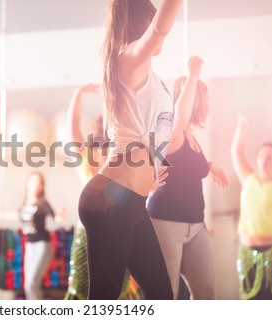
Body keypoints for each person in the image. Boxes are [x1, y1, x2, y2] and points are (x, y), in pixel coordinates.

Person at [79, 0, 183, 300]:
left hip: (131, 203)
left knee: (162, 297)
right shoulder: (127, 59)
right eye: (150, 21)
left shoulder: (149, 77)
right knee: (103, 299)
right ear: (142, 23)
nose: (159, 32)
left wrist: (153, 166)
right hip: (111, 200)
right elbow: (161, 29)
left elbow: (165, 135)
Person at [147, 57, 228, 299]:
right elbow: (179, 118)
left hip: (195, 226)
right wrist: (193, 76)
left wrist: (209, 166)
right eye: (205, 98)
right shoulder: (171, 131)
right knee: (166, 296)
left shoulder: (190, 136)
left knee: (206, 294)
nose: (209, 104)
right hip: (165, 223)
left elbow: (186, 167)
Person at [65, 84, 140, 300]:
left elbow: (72, 124)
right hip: (116, 235)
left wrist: (78, 92)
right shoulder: (125, 160)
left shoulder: (92, 157)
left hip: (95, 235)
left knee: (84, 292)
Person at [231, 116, 272, 299]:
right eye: (261, 156)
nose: (265, 160)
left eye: (270, 157)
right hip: (246, 252)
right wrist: (242, 126)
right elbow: (236, 153)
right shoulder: (249, 180)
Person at [19, 172, 64, 300]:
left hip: (42, 246)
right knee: (30, 285)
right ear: (27, 183)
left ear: (42, 186)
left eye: (39, 182)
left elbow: (56, 217)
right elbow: (16, 215)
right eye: (33, 181)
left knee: (31, 284)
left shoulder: (43, 203)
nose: (36, 184)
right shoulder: (24, 204)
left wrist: (60, 217)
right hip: (30, 246)